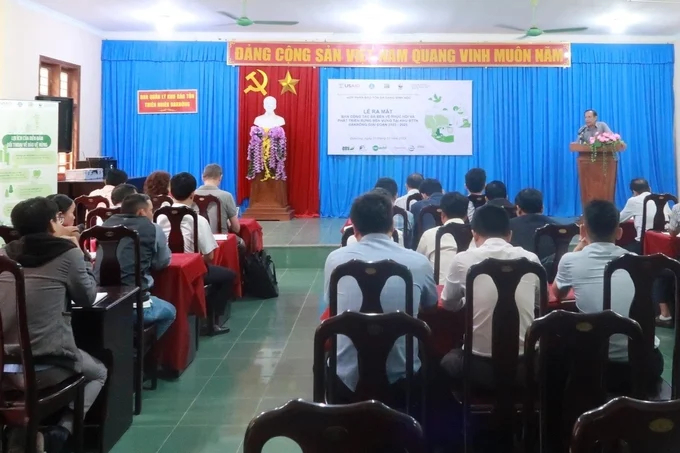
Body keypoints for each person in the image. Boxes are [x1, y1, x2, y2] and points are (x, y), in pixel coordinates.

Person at [0, 197, 107, 453]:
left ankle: (22, 432)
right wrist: (78, 250)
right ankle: (59, 433)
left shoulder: (4, 255)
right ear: (51, 223)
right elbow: (87, 297)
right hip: (46, 365)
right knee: (99, 372)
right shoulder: (67, 253)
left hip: (3, 365)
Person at [324, 190, 438, 402]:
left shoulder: (335, 260)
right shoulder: (418, 262)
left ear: (354, 228)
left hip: (345, 382)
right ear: (392, 226)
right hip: (403, 382)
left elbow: (332, 305)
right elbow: (431, 306)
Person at [553, 200, 663, 391]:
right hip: (648, 364)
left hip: (599, 367)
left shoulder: (570, 260)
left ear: (584, 230)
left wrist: (579, 247)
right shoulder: (640, 263)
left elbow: (558, 294)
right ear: (619, 232)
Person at [440, 204, 541, 389]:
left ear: (474, 234)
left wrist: (466, 301)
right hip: (527, 367)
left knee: (448, 361)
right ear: (509, 234)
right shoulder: (531, 260)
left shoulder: (462, 260)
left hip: (478, 369)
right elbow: (538, 304)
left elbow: (447, 304)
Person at [156, 172, 235, 334]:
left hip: (162, 269)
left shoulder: (158, 217)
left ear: (170, 192)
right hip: (192, 272)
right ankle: (212, 322)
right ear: (193, 194)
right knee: (228, 276)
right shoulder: (198, 220)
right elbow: (210, 257)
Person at [97, 194, 177, 338]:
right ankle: (141, 352)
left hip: (101, 300)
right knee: (170, 312)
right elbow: (161, 263)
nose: (152, 214)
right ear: (141, 212)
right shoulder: (152, 228)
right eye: (151, 210)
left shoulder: (106, 224)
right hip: (135, 303)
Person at [416, 191, 469, 283]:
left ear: (442, 214)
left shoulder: (429, 234)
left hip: (438, 292)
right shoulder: (476, 235)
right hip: (469, 293)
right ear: (466, 216)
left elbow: (418, 264)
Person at [619, 178, 671, 254]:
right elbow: (670, 217)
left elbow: (619, 219)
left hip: (643, 244)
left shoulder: (633, 201)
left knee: (621, 253)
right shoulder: (662, 200)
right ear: (649, 188)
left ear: (634, 191)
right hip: (663, 242)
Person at [509, 188, 556, 263]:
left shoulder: (507, 227)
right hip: (550, 273)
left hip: (517, 272)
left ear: (518, 209)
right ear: (542, 208)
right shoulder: (557, 227)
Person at [195, 164, 240, 235]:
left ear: (202, 177)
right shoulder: (226, 196)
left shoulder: (191, 196)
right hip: (221, 240)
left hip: (197, 240)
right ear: (220, 177)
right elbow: (236, 228)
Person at [410, 178, 444, 244]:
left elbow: (414, 233)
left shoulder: (416, 206)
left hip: (425, 244)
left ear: (423, 194)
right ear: (441, 191)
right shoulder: (452, 203)